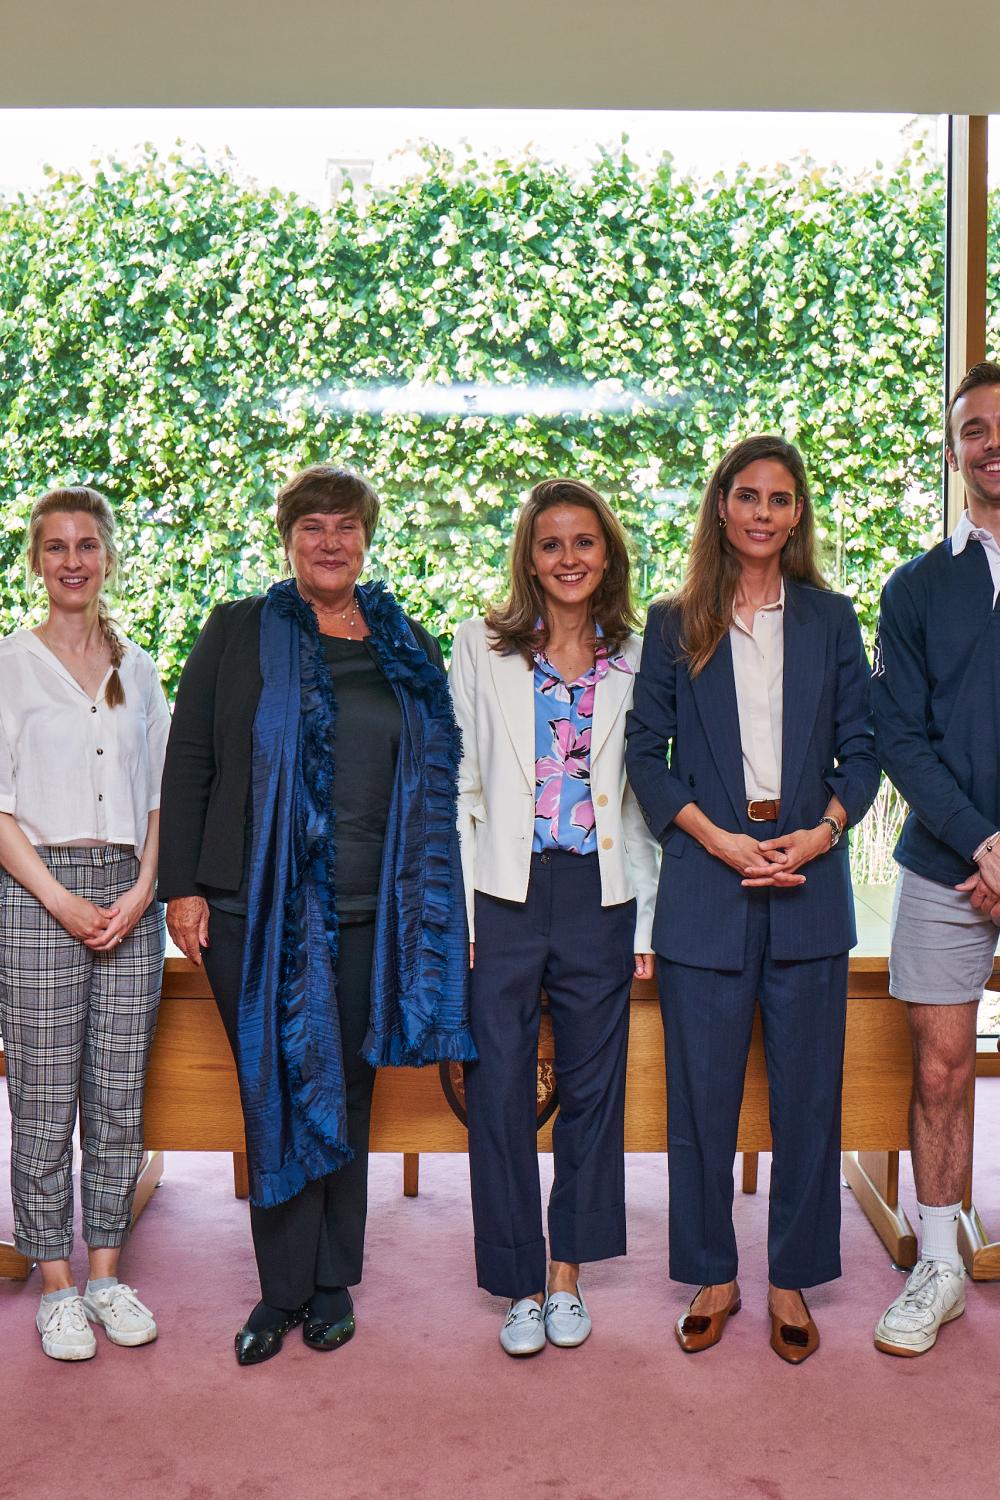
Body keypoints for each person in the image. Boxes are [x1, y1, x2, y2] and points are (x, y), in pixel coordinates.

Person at [158, 464, 474, 1366]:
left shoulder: (402, 637)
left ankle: (334, 1279)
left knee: (353, 1085)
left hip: (380, 905)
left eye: (345, 526)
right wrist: (182, 884)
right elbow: (189, 762)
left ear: (366, 537)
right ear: (288, 536)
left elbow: (439, 766)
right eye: (312, 526)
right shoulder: (239, 630)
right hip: (249, 905)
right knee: (275, 1086)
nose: (329, 541)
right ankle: (280, 1288)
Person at [626, 435, 879, 1364]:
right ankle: (714, 1274)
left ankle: (789, 1278)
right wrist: (718, 838)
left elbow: (865, 745)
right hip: (707, 878)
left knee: (810, 1100)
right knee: (699, 1099)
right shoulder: (674, 621)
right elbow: (643, 755)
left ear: (797, 513)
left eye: (780, 498)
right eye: (748, 496)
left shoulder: (832, 619)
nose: (764, 512)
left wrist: (822, 832)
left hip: (808, 876)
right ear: (721, 507)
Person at [449, 477, 660, 1357]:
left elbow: (648, 798)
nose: (567, 558)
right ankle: (516, 1284)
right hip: (502, 890)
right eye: (550, 544)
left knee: (593, 1088)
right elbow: (460, 781)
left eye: (583, 543)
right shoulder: (478, 645)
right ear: (528, 558)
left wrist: (645, 924)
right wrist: (462, 913)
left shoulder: (643, 655)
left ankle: (569, 1272)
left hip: (600, 896)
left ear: (606, 554)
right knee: (496, 1089)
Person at [0, 486, 169, 1362]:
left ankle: (105, 1272)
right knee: (41, 1099)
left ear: (108, 556)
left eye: (88, 545)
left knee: (116, 1094)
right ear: (36, 560)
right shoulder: (7, 666)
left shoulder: (138, 670)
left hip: (130, 897)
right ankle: (56, 1283)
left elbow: (159, 801)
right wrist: (60, 900)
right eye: (56, 546)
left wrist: (143, 890)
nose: (73, 561)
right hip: (37, 888)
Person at [871, 360, 1000, 1356]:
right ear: (952, 450)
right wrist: (984, 841)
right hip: (943, 867)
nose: (990, 442)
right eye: (973, 429)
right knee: (942, 1068)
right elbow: (900, 739)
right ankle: (939, 1264)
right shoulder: (914, 588)